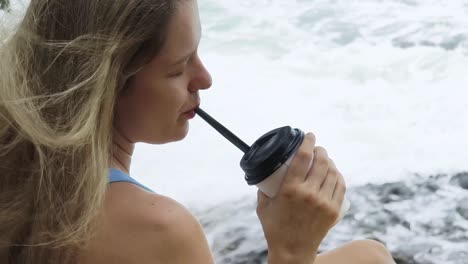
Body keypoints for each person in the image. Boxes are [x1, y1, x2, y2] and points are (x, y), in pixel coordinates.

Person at [0, 0, 396, 263]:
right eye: (179, 67)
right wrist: (291, 250)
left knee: (366, 256)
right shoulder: (160, 230)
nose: (204, 79)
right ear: (105, 83)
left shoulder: (18, 168)